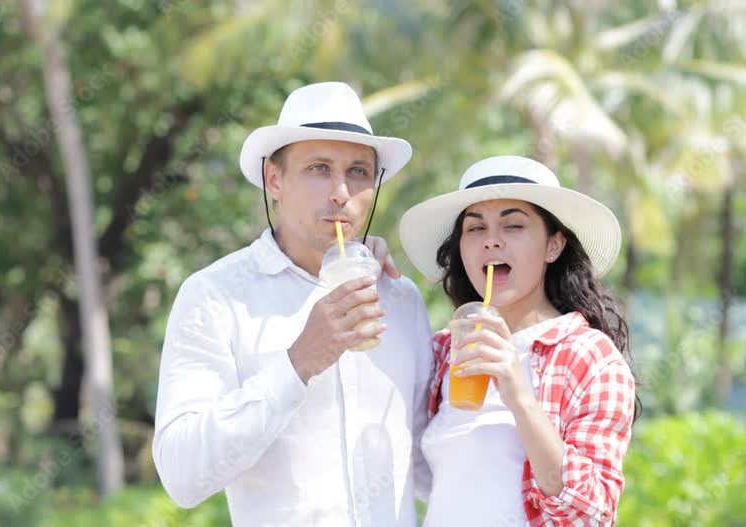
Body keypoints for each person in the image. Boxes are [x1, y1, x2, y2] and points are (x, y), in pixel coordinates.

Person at [153, 82, 433, 526]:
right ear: (274, 180)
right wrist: (298, 362)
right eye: (319, 168)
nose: (341, 191)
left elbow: (427, 464)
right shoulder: (216, 296)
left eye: (359, 171)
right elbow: (181, 475)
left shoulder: (399, 298)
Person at [399, 155, 640, 526]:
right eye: (475, 229)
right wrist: (370, 266)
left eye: (513, 225)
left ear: (553, 246)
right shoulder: (444, 350)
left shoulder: (590, 358)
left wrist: (518, 393)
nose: (491, 241)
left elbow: (591, 513)